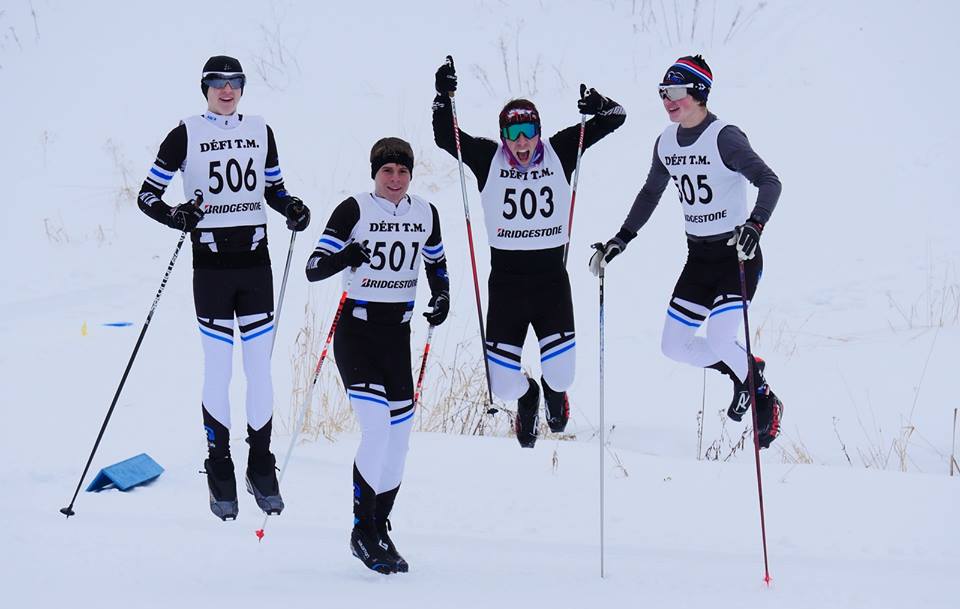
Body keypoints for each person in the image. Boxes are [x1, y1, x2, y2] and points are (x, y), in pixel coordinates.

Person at [136, 55, 311, 520]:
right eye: (218, 83)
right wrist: (176, 215)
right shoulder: (185, 132)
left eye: (235, 83)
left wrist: (290, 205)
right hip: (211, 265)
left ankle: (260, 462)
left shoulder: (260, 130)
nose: (227, 90)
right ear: (205, 87)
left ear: (243, 88)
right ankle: (220, 464)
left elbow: (272, 188)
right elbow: (147, 195)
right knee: (219, 369)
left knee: (259, 368)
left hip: (255, 262)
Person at [590, 55, 783, 448]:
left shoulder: (724, 137)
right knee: (673, 345)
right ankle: (741, 372)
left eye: (675, 91)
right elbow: (650, 193)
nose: (667, 100)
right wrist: (621, 239)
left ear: (699, 93)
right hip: (698, 259)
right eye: (663, 92)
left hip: (736, 256)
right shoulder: (665, 141)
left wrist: (755, 225)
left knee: (721, 335)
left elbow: (769, 181)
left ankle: (763, 395)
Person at [432, 57, 625, 448]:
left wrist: (597, 104)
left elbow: (616, 116)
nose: (522, 142)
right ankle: (528, 397)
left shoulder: (562, 150)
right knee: (503, 384)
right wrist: (443, 95)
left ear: (539, 131)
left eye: (529, 131)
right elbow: (443, 136)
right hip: (506, 285)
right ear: (504, 135)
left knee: (563, 375)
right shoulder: (489, 158)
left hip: (552, 282)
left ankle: (555, 393)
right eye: (514, 133)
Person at [305, 137, 450, 575]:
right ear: (375, 173)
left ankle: (380, 525)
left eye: (403, 172)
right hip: (358, 332)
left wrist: (443, 297)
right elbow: (314, 267)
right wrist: (346, 255)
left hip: (397, 335)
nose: (395, 179)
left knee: (399, 440)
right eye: (387, 172)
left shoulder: (425, 212)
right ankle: (361, 530)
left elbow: (436, 264)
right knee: (376, 428)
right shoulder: (354, 209)